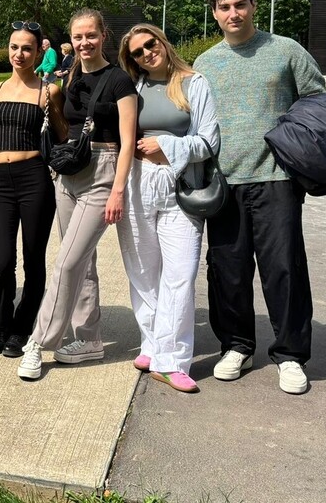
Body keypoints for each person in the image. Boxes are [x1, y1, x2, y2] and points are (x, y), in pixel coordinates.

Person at [192, 0, 325, 395]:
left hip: (277, 178)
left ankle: (290, 355)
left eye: (240, 4)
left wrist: (299, 151)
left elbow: (316, 102)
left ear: (253, 6)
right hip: (224, 181)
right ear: (215, 14)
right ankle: (237, 346)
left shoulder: (286, 50)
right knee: (227, 271)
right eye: (224, 7)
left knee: (284, 268)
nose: (233, 13)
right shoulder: (205, 63)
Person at [17, 8, 137, 380]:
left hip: (103, 172)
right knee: (82, 261)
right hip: (69, 174)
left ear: (104, 35)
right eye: (79, 36)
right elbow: (65, 124)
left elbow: (128, 141)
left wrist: (118, 190)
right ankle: (89, 338)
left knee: (66, 262)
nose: (85, 43)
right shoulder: (70, 75)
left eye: (91, 35)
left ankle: (39, 341)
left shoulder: (120, 80)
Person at [118, 23, 219, 394]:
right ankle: (152, 343)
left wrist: (167, 145)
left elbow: (209, 141)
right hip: (137, 183)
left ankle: (171, 361)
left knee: (180, 273)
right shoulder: (135, 88)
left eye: (150, 44)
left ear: (162, 41)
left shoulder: (195, 83)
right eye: (138, 52)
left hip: (179, 186)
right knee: (143, 271)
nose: (147, 53)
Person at [0, 21, 67, 357]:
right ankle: (2, 324)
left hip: (34, 179)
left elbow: (62, 135)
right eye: (14, 47)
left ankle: (22, 327)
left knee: (34, 259)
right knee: (3, 261)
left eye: (27, 48)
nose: (19, 54)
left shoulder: (48, 91)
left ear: (38, 53)